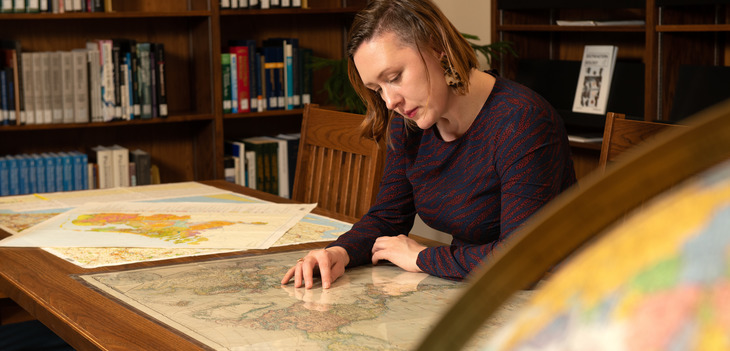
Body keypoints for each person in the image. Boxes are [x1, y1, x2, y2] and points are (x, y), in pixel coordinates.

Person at [281, 0, 576, 289]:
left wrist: (422, 257)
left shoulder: (522, 121)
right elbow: (388, 217)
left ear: (438, 48)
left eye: (394, 77)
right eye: (377, 89)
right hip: (473, 288)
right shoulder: (411, 122)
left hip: (558, 298)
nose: (389, 101)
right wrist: (339, 252)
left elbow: (521, 261)